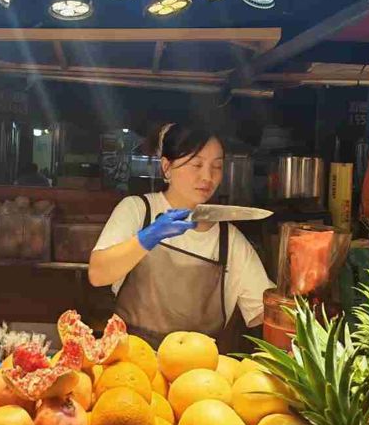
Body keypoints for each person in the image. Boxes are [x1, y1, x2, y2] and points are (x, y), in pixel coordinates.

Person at [88, 123, 273, 352]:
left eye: (217, 166)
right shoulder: (138, 210)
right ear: (167, 167)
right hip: (130, 359)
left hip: (196, 372)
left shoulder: (229, 240)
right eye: (196, 164)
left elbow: (264, 312)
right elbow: (98, 274)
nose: (208, 176)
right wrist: (148, 237)